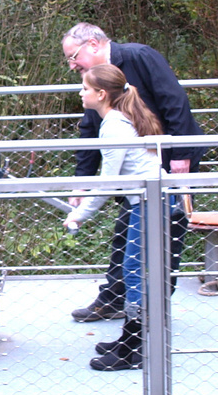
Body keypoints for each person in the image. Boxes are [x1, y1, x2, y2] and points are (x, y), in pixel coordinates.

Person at [60, 22, 205, 322]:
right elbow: (89, 133)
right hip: (135, 169)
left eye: (74, 56)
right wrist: (80, 183)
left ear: (94, 45)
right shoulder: (96, 86)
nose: (72, 65)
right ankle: (115, 299)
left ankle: (153, 307)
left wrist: (181, 156)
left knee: (166, 237)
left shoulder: (140, 57)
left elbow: (175, 102)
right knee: (127, 235)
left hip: (168, 163)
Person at [63, 64, 168, 371]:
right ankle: (130, 340)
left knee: (134, 273)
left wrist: (79, 215)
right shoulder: (123, 117)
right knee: (133, 270)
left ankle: (135, 350)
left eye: (85, 88)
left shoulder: (114, 125)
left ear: (101, 94)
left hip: (151, 202)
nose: (81, 93)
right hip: (150, 200)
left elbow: (108, 183)